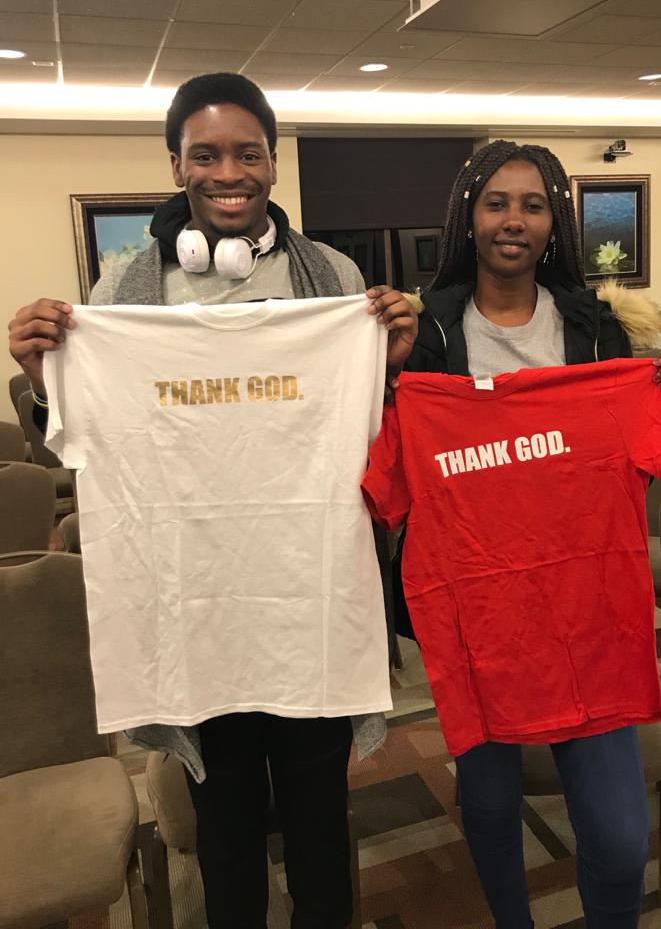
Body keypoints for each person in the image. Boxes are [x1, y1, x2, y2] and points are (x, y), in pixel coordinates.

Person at [8, 72, 418, 929]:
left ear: (273, 165)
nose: (227, 170)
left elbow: (374, 437)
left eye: (246, 152)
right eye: (206, 154)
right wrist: (45, 376)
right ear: (176, 164)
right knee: (223, 820)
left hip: (309, 600)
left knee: (317, 814)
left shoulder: (331, 275)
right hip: (195, 608)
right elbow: (82, 438)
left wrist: (390, 362)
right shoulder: (124, 288)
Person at [385, 140, 661, 929]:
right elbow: (383, 469)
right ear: (468, 218)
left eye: (532, 205)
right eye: (496, 203)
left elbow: (647, 463)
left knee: (622, 839)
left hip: (586, 618)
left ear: (555, 223)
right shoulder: (426, 339)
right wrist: (385, 378)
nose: (512, 220)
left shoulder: (599, 334)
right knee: (488, 808)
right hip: (478, 617)